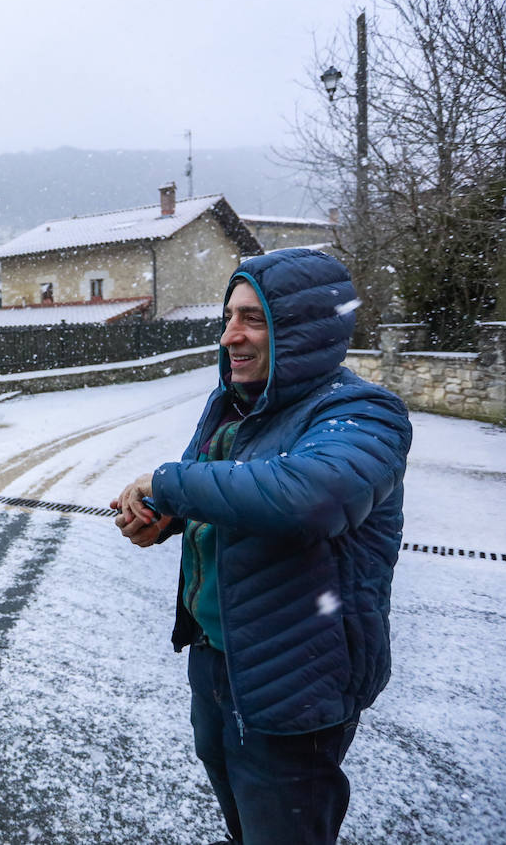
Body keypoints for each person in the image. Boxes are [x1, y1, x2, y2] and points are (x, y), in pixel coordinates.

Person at [110, 249, 412, 845]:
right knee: (242, 822)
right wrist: (166, 519)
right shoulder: (235, 407)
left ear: (302, 329)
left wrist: (169, 482)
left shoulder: (361, 412)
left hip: (298, 674)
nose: (229, 336)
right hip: (217, 662)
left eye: (251, 318)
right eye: (228, 317)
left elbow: (311, 500)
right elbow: (230, 499)